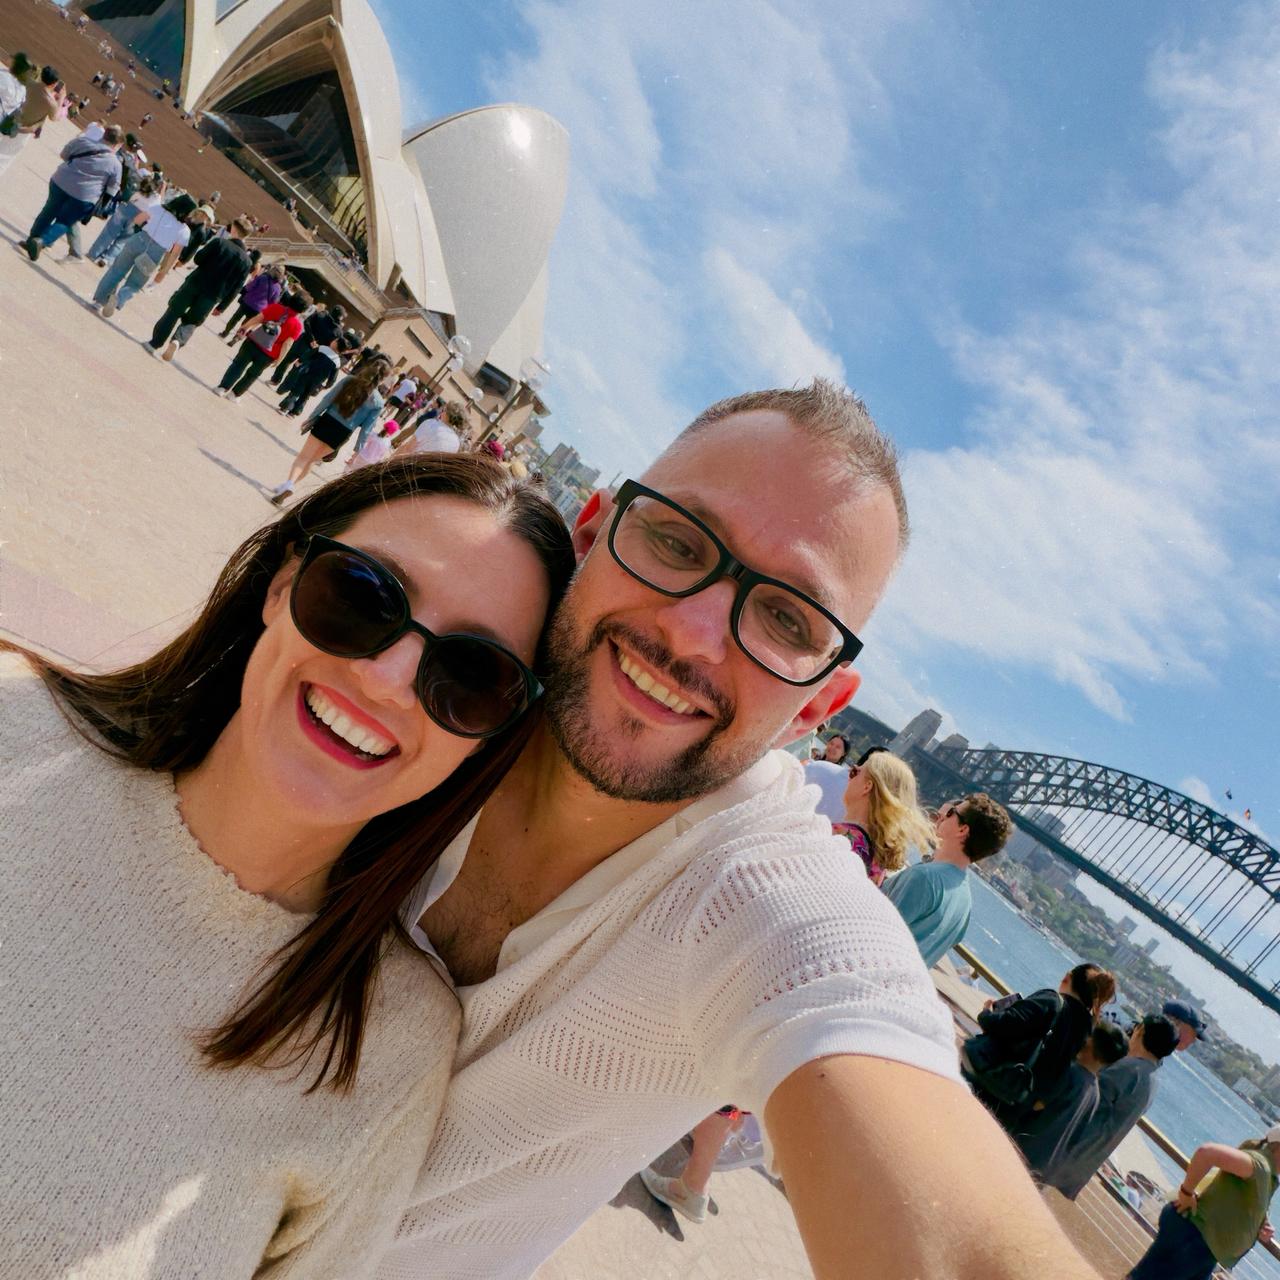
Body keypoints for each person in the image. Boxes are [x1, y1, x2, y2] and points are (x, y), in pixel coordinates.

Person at [370, 379, 1101, 1280]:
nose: (694, 630)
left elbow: (968, 1242)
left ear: (819, 705)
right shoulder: (417, 675)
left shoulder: (766, 907)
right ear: (594, 528)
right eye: (677, 541)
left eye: (788, 617)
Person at [0, 456, 574, 1277]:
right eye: (361, 596)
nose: (387, 680)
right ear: (279, 585)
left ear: (491, 737)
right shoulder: (12, 723)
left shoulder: (391, 1048)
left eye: (471, 677)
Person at [961, 963, 1117, 1129]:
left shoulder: (1051, 1000)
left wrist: (987, 1013)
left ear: (1067, 977)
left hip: (989, 1077)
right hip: (1018, 1101)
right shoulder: (1086, 1028)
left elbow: (1004, 1024)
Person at [1047, 1013, 1180, 1199]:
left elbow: (1083, 1098)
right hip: (1085, 1160)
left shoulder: (1129, 1069)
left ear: (1141, 1030)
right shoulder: (1151, 1081)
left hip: (1065, 1146)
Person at [1127, 1124, 1279, 1280]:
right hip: (1192, 1239)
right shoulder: (1260, 1166)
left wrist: (1260, 1226)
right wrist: (1186, 1193)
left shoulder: (1268, 1175)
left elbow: (1243, 1200)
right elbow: (1207, 1153)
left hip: (1203, 1247)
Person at [882, 792, 1011, 966]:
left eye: (951, 813)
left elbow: (873, 933)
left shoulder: (924, 878)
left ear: (962, 830)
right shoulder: (965, 903)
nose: (943, 816)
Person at [1011, 1020, 1128, 1183]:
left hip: (1022, 1149)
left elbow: (1037, 1105)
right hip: (1045, 1165)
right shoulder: (1095, 1094)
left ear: (1091, 1043)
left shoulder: (1070, 1074)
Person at [268, 358, 391, 503]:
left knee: (303, 457)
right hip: (342, 433)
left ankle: (289, 483)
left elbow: (327, 399)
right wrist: (358, 448)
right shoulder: (378, 402)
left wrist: (312, 417)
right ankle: (289, 485)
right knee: (312, 461)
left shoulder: (349, 380)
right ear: (382, 379)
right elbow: (366, 428)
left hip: (327, 421)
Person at [147, 216, 254, 362]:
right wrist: (222, 307)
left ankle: (155, 343)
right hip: (213, 296)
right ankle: (178, 341)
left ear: (234, 229)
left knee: (174, 310)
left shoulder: (219, 243)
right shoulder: (247, 262)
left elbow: (198, 259)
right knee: (193, 321)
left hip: (195, 283)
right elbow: (236, 287)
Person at [18, 122, 123, 262]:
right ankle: (41, 241)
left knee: (48, 211)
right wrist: (101, 206)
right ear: (117, 145)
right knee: (65, 221)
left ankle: (32, 239)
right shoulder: (115, 164)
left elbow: (64, 154)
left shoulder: (82, 141)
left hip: (61, 181)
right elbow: (112, 188)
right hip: (84, 195)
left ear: (104, 135)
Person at [834, 750, 936, 885]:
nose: (849, 776)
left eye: (854, 772)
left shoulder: (835, 835)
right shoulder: (878, 863)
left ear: (867, 787)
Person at [91, 193, 195, 318]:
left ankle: (99, 301)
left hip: (139, 239)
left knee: (116, 271)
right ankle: (118, 299)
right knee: (135, 283)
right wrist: (164, 270)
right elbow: (175, 253)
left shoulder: (157, 208)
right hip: (155, 253)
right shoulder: (184, 230)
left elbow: (137, 220)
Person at [214, 286, 309, 401]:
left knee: (238, 365)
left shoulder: (275, 307)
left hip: (253, 341)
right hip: (269, 354)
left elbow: (258, 318)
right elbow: (287, 344)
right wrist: (279, 359)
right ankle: (235, 394)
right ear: (303, 310)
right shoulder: (297, 326)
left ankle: (222, 388)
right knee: (252, 375)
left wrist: (244, 327)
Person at [88, 172, 161, 267]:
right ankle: (107, 259)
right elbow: (156, 209)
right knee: (123, 240)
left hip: (126, 208)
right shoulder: (156, 197)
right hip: (139, 216)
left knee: (108, 233)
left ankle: (94, 254)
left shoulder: (141, 186)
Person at [220, 261, 283, 338]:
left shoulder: (262, 277)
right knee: (246, 324)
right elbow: (273, 302)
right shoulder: (278, 288)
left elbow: (249, 287)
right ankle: (236, 338)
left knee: (235, 318)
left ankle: (225, 333)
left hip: (248, 302)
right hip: (259, 309)